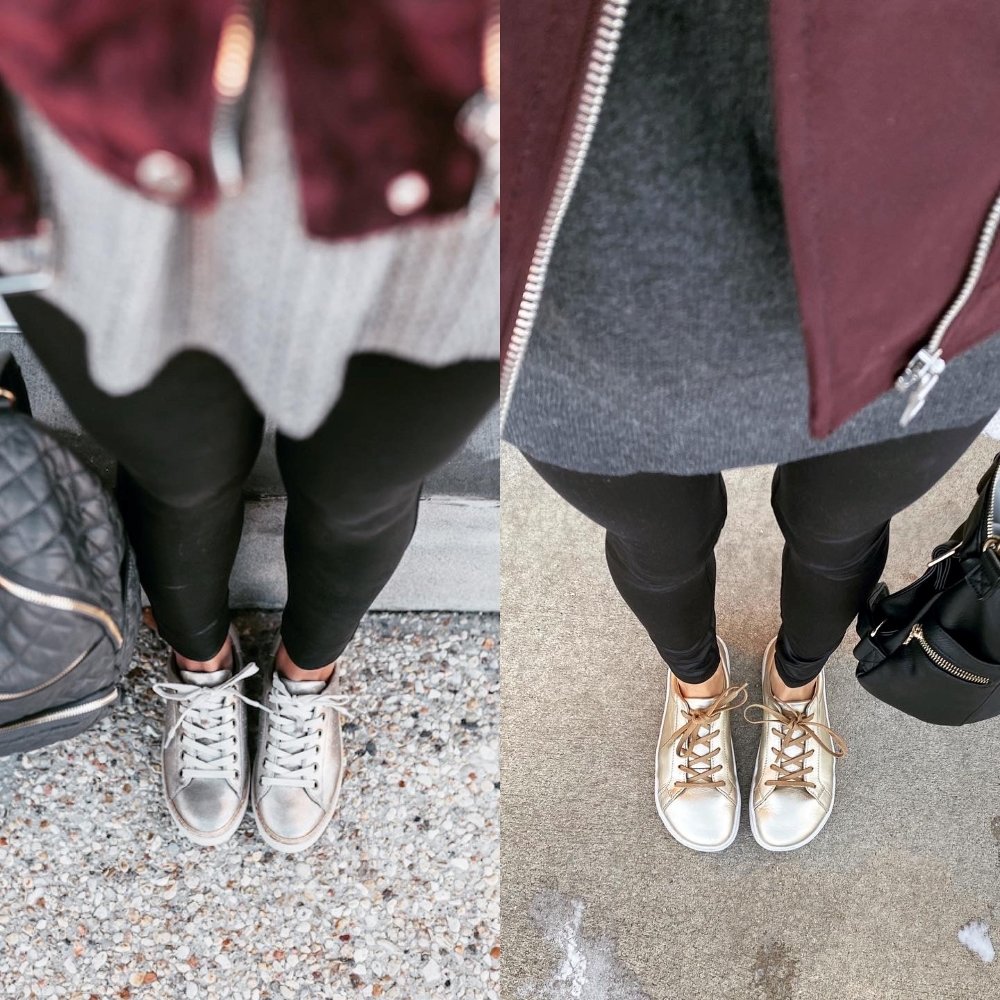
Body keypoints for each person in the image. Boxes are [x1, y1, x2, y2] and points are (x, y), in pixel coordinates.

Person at [501, 0, 1000, 852]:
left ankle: (795, 681)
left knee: (839, 530)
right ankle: (697, 685)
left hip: (924, 288)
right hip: (579, 300)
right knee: (657, 536)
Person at [0, 2, 499, 853]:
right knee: (176, 467)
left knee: (364, 487)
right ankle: (203, 665)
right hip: (106, 125)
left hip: (452, 135)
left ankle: (306, 677)